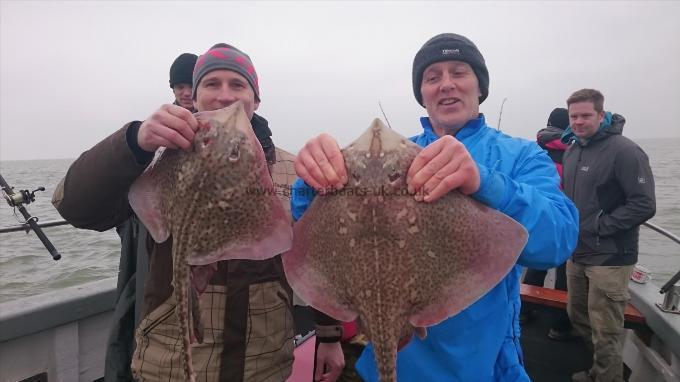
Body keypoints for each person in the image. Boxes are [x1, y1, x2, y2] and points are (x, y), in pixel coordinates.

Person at [292, 33, 579, 381]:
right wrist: (312, 180)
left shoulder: (521, 156)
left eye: (458, 72)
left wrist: (484, 182)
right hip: (394, 352)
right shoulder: (398, 157)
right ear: (422, 94)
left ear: (479, 86)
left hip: (484, 366)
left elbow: (558, 239)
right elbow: (305, 232)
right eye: (432, 77)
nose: (446, 85)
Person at [53, 43, 300, 381]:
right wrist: (134, 142)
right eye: (212, 84)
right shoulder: (156, 158)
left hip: (265, 364)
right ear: (193, 98)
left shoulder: (291, 169)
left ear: (255, 100)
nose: (225, 96)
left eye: (238, 85)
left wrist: (329, 333)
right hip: (168, 363)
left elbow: (313, 256)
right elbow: (75, 207)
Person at [562, 89, 655, 382]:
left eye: (586, 115)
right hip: (577, 251)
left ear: (602, 115)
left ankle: (606, 378)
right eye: (573, 116)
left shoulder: (626, 151)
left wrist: (599, 226)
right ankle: (597, 371)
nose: (578, 122)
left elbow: (644, 204)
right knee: (577, 315)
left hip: (612, 256)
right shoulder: (573, 149)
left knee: (606, 330)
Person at [521, 107, 574, 341]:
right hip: (563, 218)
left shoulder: (534, 149)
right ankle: (560, 326)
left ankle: (524, 312)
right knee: (564, 274)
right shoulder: (574, 151)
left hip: (537, 217)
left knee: (535, 264)